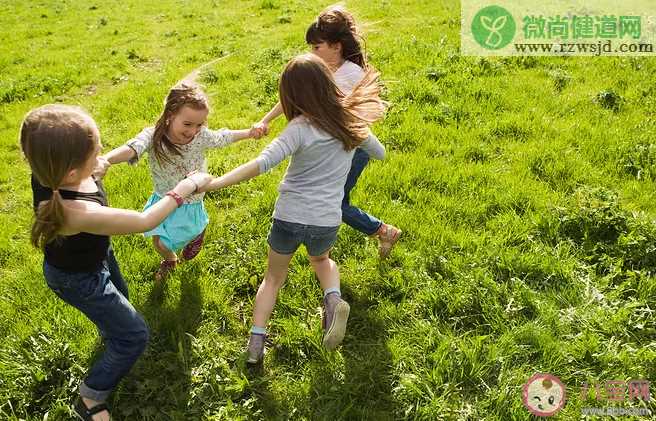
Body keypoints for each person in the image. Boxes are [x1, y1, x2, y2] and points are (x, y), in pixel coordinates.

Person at [20, 104, 211, 421]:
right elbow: (143, 221)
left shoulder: (50, 167)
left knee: (121, 300)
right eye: (95, 155)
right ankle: (90, 396)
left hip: (95, 256)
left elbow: (41, 131)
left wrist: (97, 166)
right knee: (134, 335)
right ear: (70, 172)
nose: (101, 159)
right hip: (77, 279)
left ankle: (112, 332)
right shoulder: (75, 212)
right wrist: (184, 189)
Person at [202, 53, 386, 363]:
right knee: (322, 259)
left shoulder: (299, 128)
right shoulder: (350, 122)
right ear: (328, 84)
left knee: (272, 279)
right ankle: (332, 299)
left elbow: (261, 164)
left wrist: (216, 183)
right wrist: (357, 134)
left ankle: (256, 344)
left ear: (291, 95)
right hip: (326, 219)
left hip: (288, 216)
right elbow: (379, 152)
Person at [254, 5, 401, 258]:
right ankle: (324, 251)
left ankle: (380, 232)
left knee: (334, 203)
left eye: (317, 46)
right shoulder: (325, 69)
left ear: (336, 46)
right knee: (330, 201)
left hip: (350, 148)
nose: (312, 52)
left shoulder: (349, 74)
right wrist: (265, 119)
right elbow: (297, 92)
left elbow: (317, 105)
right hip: (333, 146)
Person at [96, 83, 261, 280]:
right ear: (170, 115)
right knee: (158, 241)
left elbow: (222, 137)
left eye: (199, 125)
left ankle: (196, 233)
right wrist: (106, 159)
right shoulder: (154, 136)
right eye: (187, 124)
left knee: (165, 242)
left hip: (190, 200)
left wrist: (249, 133)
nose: (193, 131)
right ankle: (171, 260)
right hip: (163, 197)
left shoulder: (201, 137)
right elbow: (132, 147)